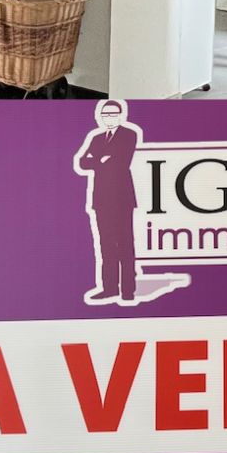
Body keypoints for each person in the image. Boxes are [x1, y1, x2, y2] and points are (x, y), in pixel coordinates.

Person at [76, 99, 141, 305]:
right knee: (106, 245)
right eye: (105, 114)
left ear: (121, 116)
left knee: (125, 243)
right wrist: (101, 160)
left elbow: (121, 160)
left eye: (113, 114)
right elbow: (82, 162)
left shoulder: (129, 134)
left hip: (122, 197)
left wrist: (98, 161)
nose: (109, 118)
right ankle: (109, 288)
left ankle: (128, 290)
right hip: (101, 199)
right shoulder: (96, 138)